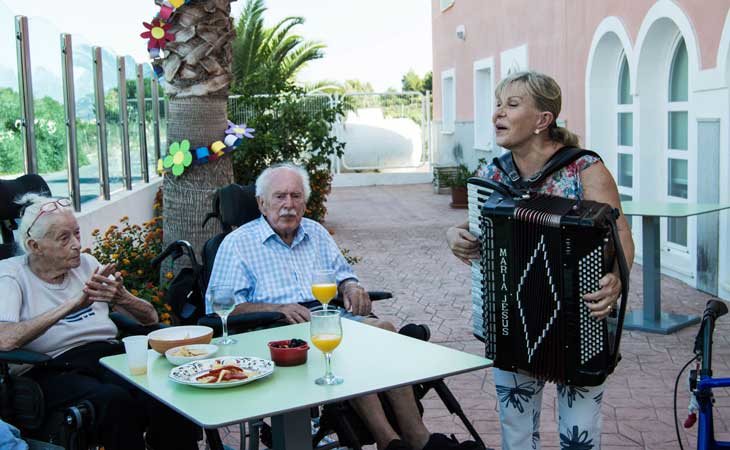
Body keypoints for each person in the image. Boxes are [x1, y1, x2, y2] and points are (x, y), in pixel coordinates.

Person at [207, 163, 480, 450]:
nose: (289, 205)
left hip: (329, 318)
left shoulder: (316, 233)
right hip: (279, 333)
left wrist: (352, 287)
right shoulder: (237, 244)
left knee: (384, 330)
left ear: (305, 201)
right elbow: (221, 307)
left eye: (296, 196)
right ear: (262, 203)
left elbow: (344, 275)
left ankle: (414, 436)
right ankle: (393, 440)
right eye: (280, 197)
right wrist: (278, 308)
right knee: (353, 343)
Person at [446, 70, 635, 450]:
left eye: (512, 105)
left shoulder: (585, 168)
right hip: (511, 319)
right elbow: (476, 227)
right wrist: (454, 235)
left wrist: (616, 278)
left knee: (578, 437)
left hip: (579, 318)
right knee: (515, 432)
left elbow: (622, 235)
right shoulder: (493, 173)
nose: (498, 113)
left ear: (542, 120)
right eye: (497, 104)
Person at [0, 194, 199, 450]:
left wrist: (123, 297)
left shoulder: (87, 264)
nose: (76, 244)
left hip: (107, 357)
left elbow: (150, 318)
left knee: (166, 389)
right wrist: (72, 304)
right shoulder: (11, 275)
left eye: (76, 233)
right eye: (64, 238)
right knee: (113, 400)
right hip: (52, 368)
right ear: (34, 245)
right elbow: (5, 339)